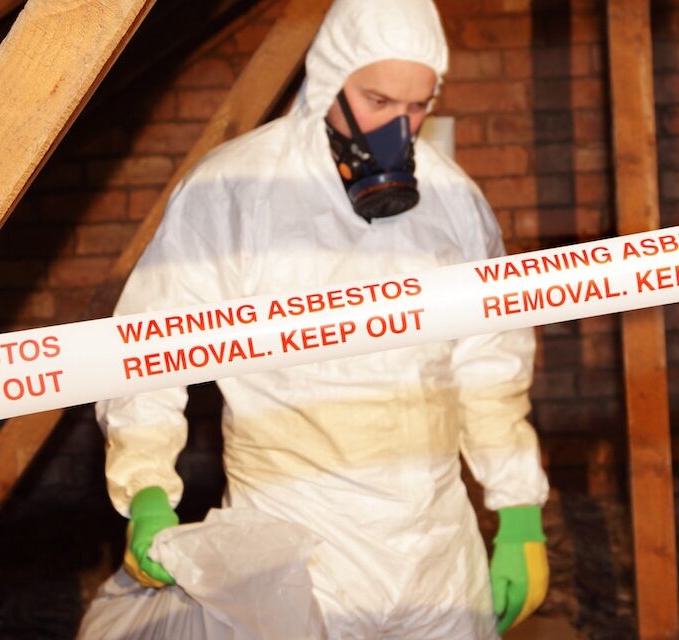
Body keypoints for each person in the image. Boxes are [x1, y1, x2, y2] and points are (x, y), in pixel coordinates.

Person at [94, 0, 549, 636]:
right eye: (378, 100)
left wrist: (518, 510)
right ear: (330, 77)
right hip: (294, 549)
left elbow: (489, 366)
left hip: (435, 546)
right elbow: (150, 349)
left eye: (417, 106)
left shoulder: (452, 201)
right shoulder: (236, 193)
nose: (400, 127)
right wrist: (146, 490)